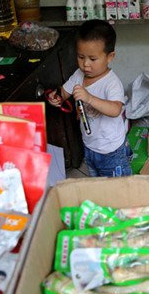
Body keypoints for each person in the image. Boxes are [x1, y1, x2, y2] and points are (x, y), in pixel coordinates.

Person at [47, 19, 131, 177]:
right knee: (97, 183)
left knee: (117, 186)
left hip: (110, 150)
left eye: (92, 59)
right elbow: (64, 93)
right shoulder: (79, 75)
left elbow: (115, 110)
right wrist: (56, 97)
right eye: (80, 57)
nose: (85, 64)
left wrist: (89, 98)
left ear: (110, 57)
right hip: (90, 145)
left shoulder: (111, 83)